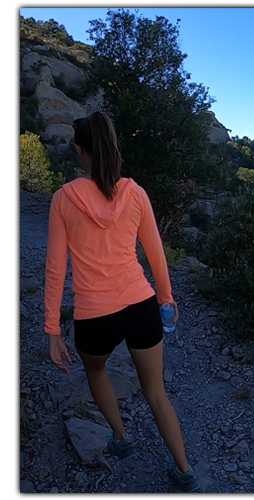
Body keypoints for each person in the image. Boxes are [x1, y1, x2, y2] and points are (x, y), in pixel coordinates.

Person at [43, 111, 201, 493]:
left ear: (81, 152)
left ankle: (121, 437)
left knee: (96, 372)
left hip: (95, 316)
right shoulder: (135, 193)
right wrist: (166, 297)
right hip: (141, 305)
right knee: (156, 392)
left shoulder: (64, 200)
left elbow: (54, 269)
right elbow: (155, 252)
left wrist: (52, 330)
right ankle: (184, 470)